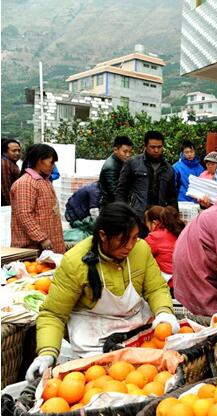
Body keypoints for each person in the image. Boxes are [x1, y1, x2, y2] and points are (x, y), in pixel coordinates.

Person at [25, 202, 177, 381]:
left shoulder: (140, 250)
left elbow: (156, 289)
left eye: (134, 238)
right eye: (123, 239)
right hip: (94, 340)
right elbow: (53, 313)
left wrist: (164, 313)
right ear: (103, 235)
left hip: (137, 332)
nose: (130, 246)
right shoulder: (75, 263)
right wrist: (47, 352)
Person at [116, 131, 178, 237]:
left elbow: (172, 197)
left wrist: (173, 218)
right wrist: (122, 215)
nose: (156, 150)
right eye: (152, 147)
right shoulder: (132, 163)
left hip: (159, 221)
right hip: (136, 219)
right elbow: (121, 191)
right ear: (145, 146)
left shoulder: (168, 169)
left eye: (159, 147)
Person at [10, 144, 65, 253]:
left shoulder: (44, 181)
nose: (53, 166)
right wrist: (41, 238)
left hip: (48, 245)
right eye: (51, 162)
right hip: (33, 247)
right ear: (40, 161)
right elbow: (25, 214)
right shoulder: (26, 183)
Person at [144, 205, 185, 288]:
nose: (148, 229)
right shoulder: (179, 232)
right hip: (183, 281)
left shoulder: (154, 237)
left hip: (168, 283)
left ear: (154, 223)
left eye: (147, 225)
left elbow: (142, 257)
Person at [99, 136, 133, 207]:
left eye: (130, 152)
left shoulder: (120, 162)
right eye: (125, 151)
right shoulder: (111, 167)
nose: (128, 155)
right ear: (115, 150)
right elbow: (115, 192)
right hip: (112, 206)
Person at [2, 138, 22, 206]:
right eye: (14, 151)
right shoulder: (4, 163)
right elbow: (5, 187)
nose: (17, 153)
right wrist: (11, 205)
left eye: (19, 150)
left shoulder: (11, 163)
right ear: (5, 152)